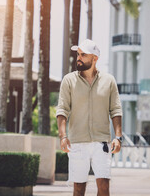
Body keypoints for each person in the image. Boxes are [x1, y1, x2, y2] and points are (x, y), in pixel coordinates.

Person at [56, 39, 123, 196]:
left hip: (102, 143)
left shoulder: (109, 81)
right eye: (78, 54)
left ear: (94, 58)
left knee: (104, 187)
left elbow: (116, 110)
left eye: (83, 55)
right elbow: (62, 110)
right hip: (77, 143)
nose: (79, 57)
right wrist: (63, 136)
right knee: (79, 189)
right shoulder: (69, 80)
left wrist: (118, 137)